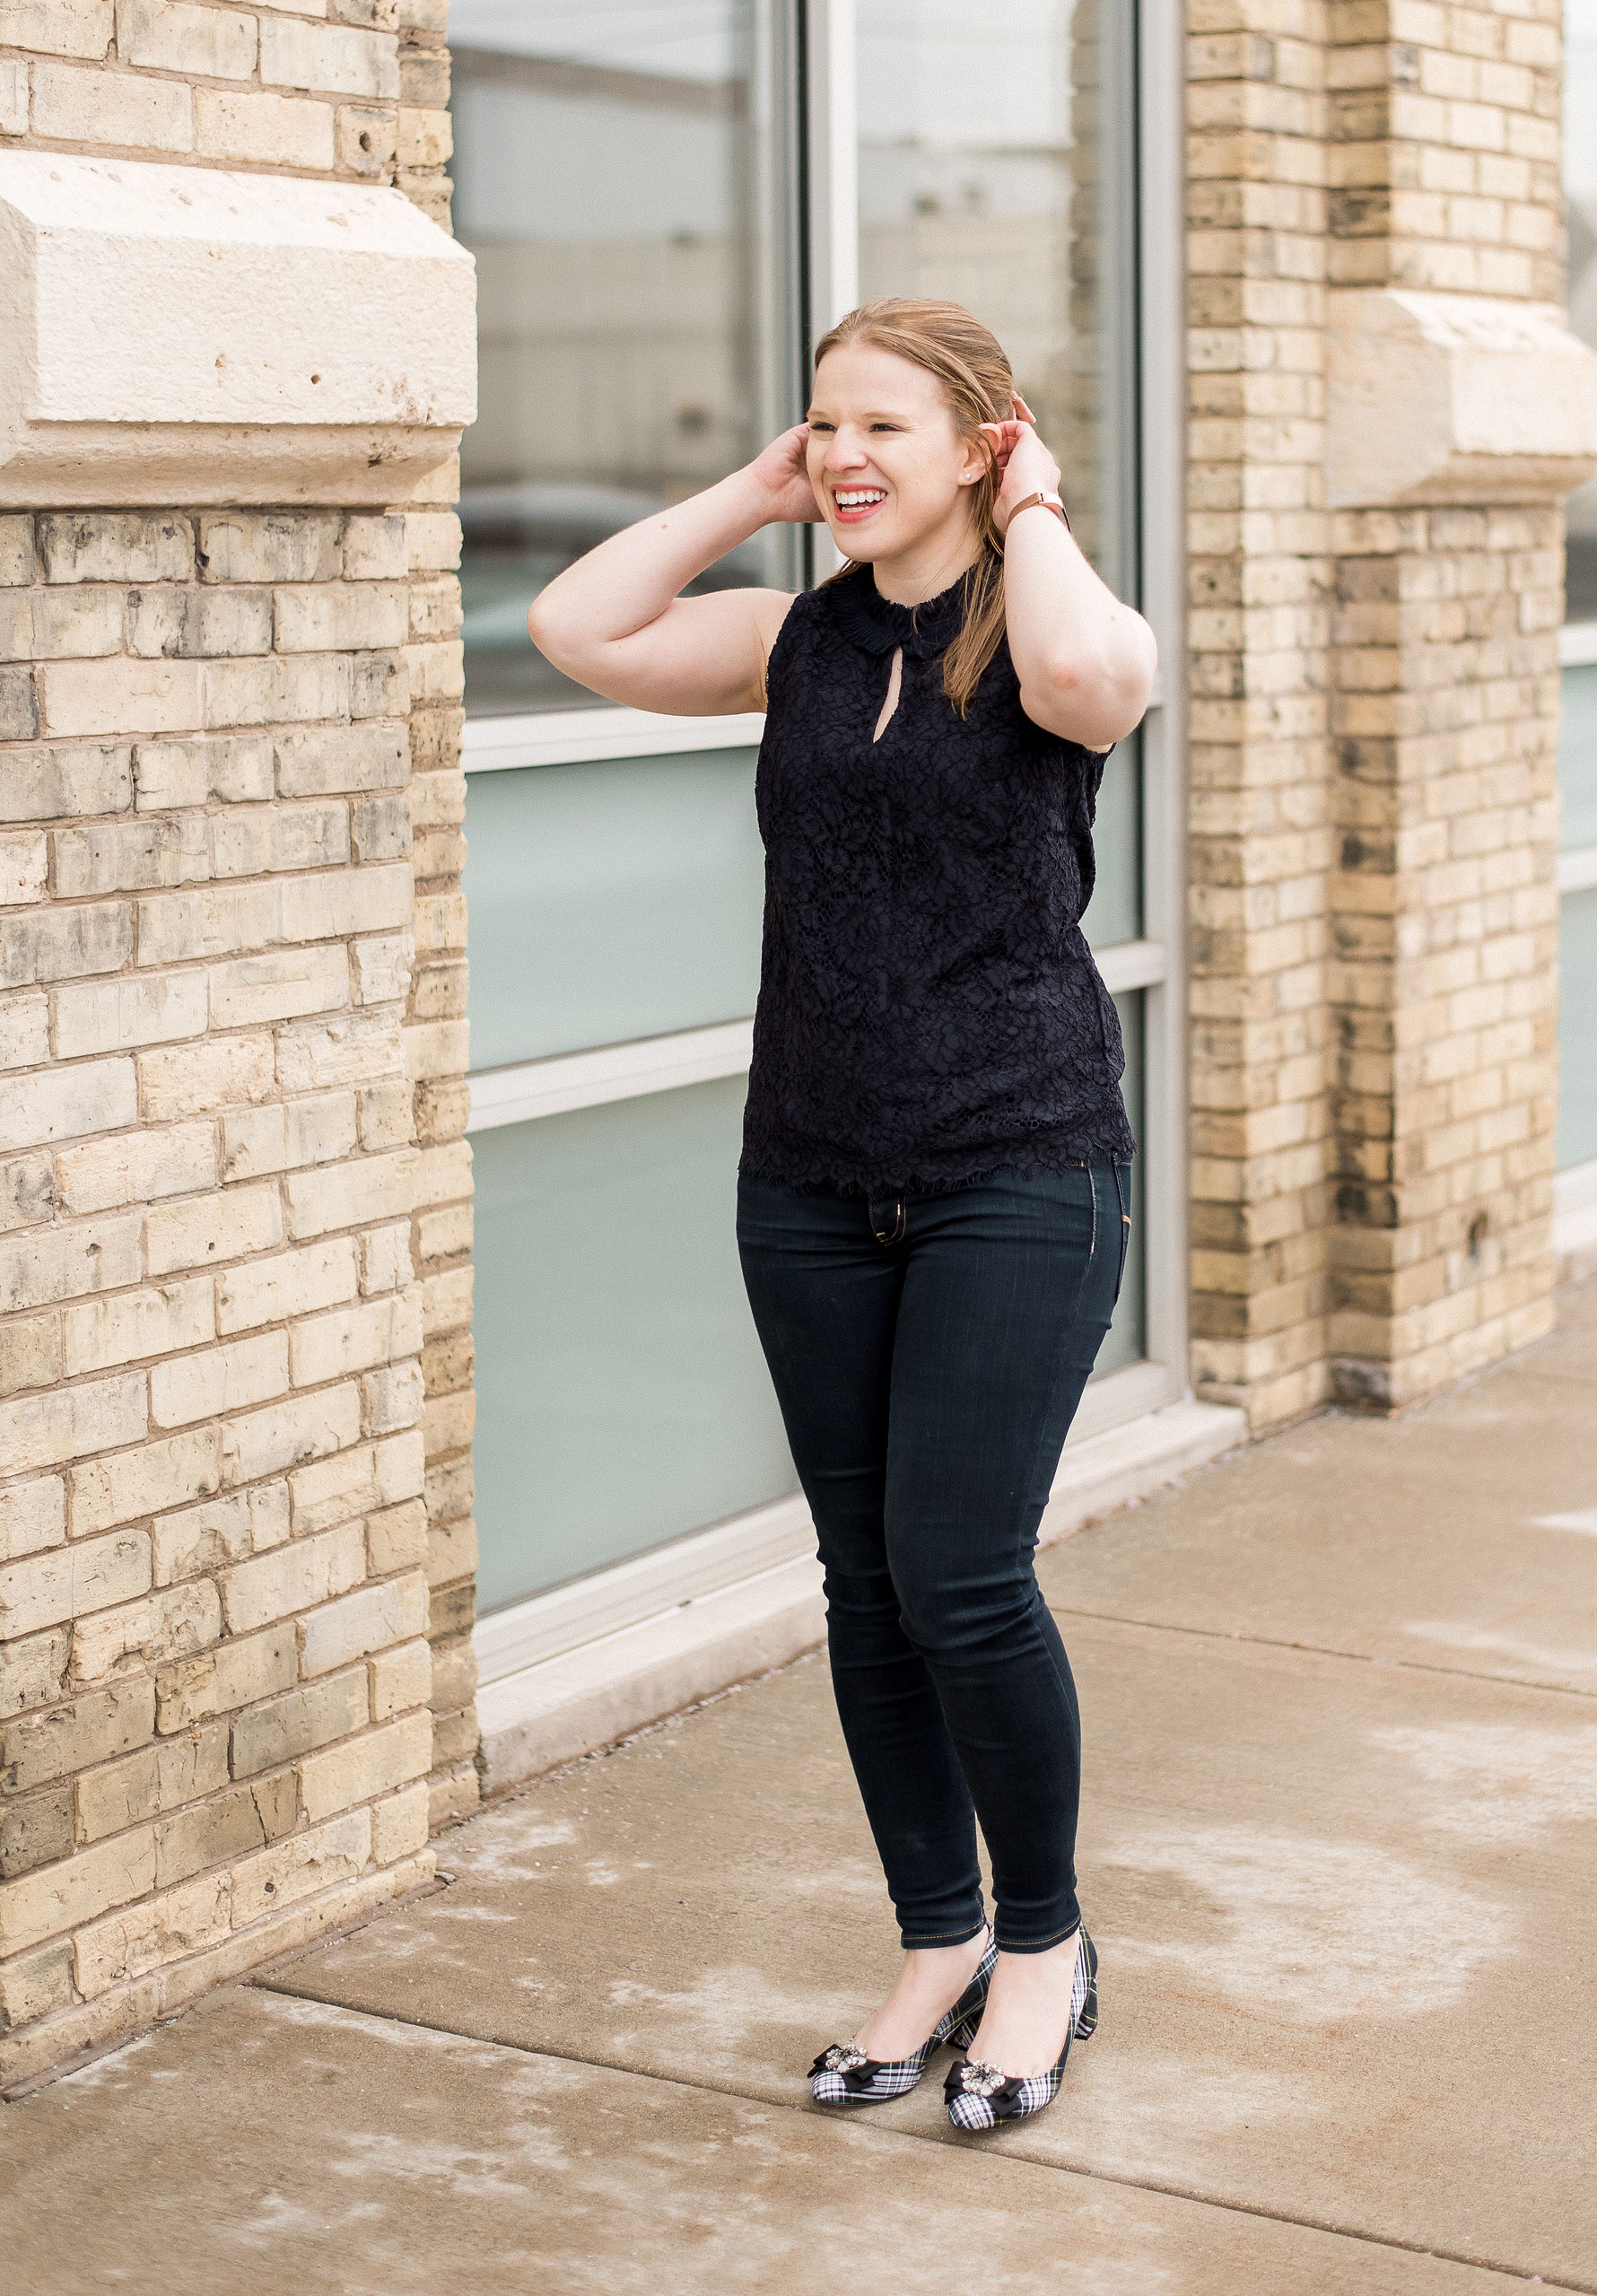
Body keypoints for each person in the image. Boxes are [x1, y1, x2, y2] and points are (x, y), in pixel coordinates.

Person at [528, 296, 1157, 2131]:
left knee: (962, 1574)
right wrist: (755, 483)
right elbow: (580, 626)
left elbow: (1096, 687)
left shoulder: (1042, 626)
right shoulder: (790, 639)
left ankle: (1042, 1948)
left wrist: (1028, 504)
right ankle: (935, 1937)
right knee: (865, 1590)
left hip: (1017, 1159)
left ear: (983, 437)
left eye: (885, 423)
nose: (845, 454)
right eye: (823, 424)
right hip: (808, 1167)